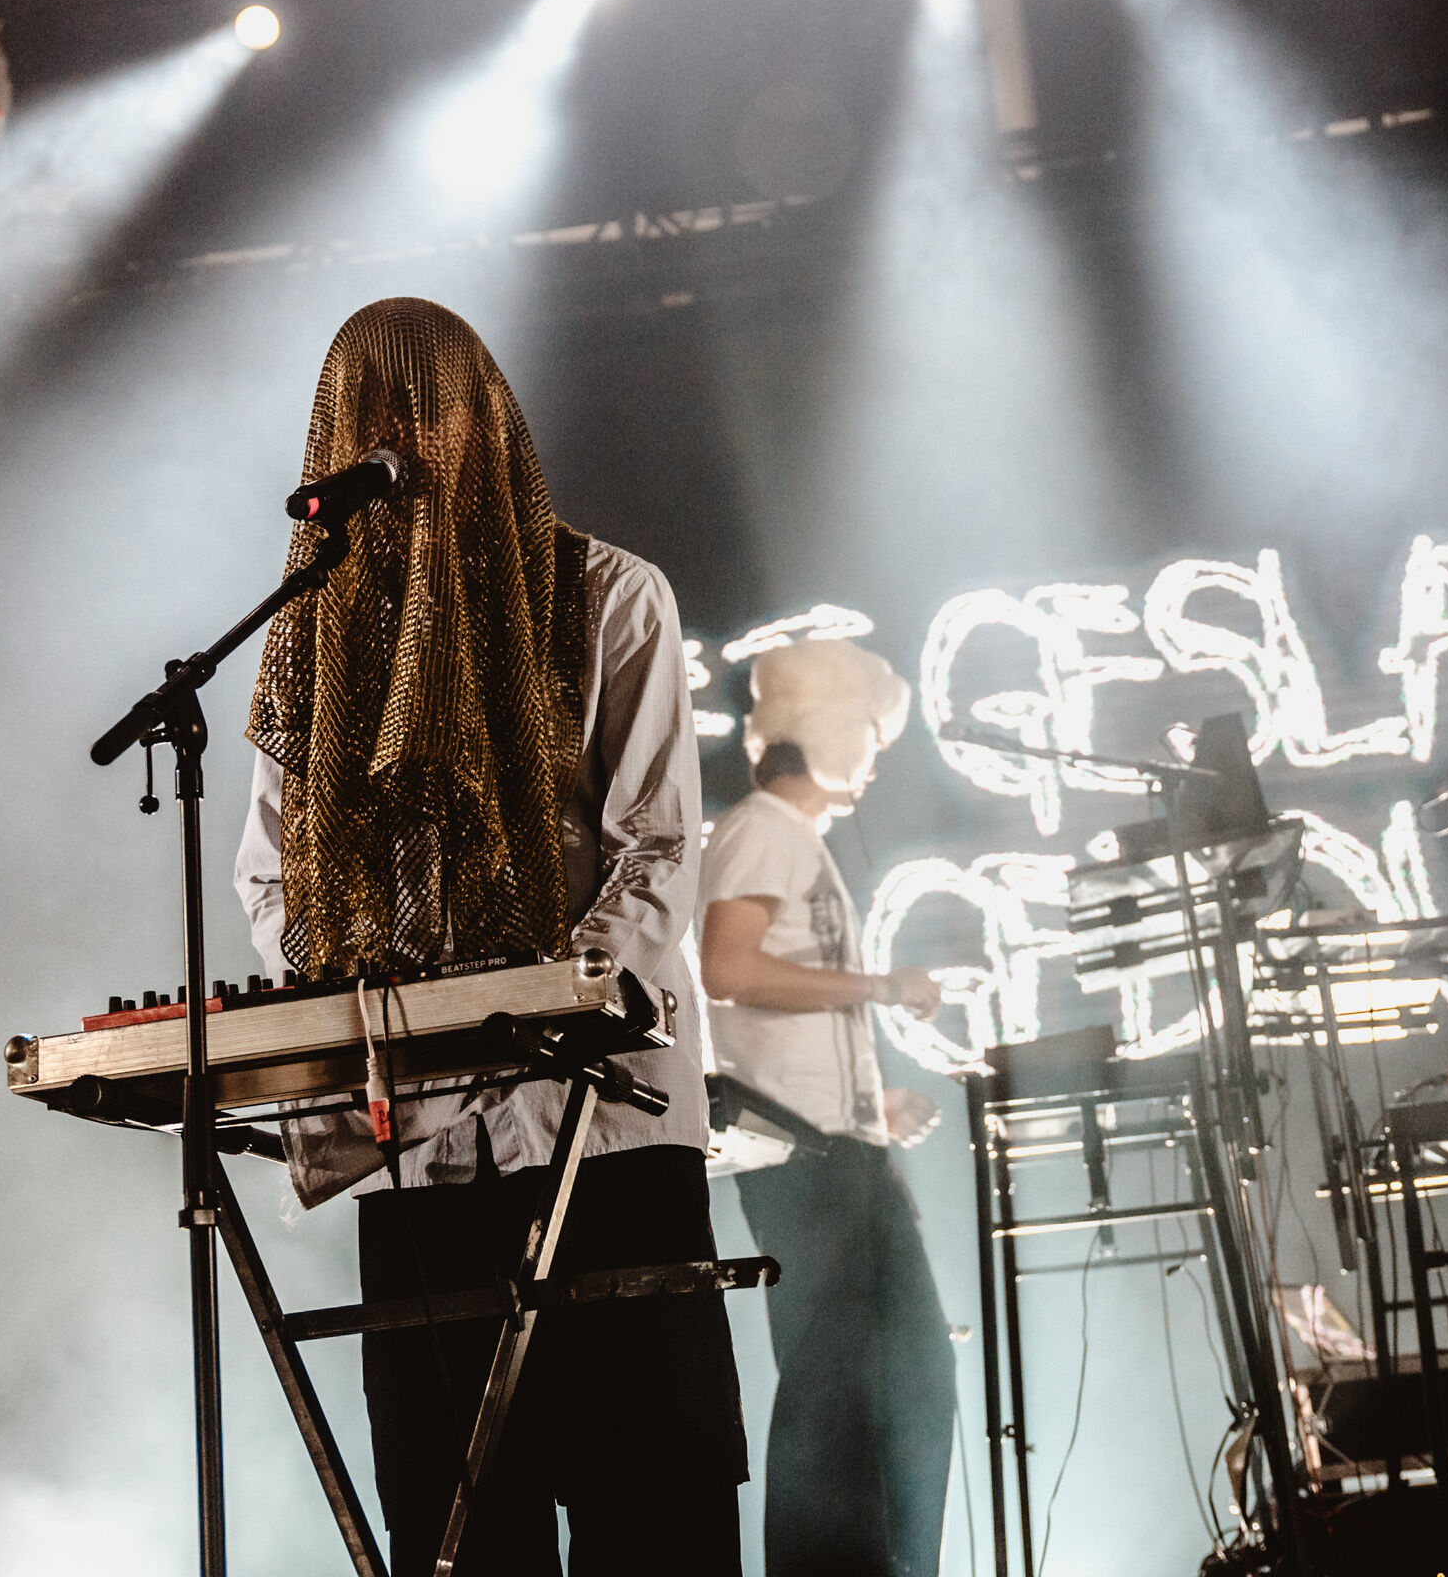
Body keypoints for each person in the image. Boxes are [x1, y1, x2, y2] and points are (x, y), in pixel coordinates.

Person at [232, 296, 744, 1577]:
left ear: (482, 419)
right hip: (419, 1156)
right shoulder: (318, 638)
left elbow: (658, 848)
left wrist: (545, 1003)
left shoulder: (608, 594)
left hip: (605, 1135)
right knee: (456, 1532)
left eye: (421, 410)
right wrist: (358, 988)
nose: (396, 438)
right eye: (369, 415)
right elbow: (272, 873)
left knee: (654, 1519)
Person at [697, 639, 958, 1577]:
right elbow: (728, 968)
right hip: (803, 1160)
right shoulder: (765, 829)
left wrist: (866, 1102)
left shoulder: (786, 836)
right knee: (853, 1387)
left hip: (829, 1147)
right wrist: (882, 987)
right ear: (829, 732)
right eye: (872, 737)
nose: (878, 759)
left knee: (896, 1379)